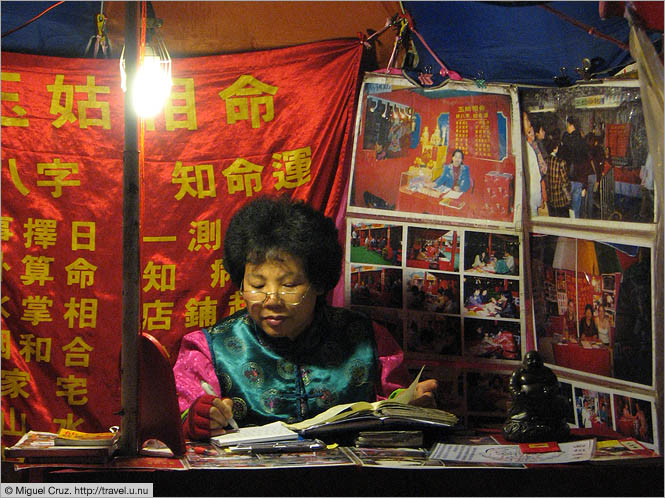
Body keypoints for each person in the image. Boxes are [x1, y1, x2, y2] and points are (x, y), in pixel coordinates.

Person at [173, 196, 437, 440]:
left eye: (289, 285)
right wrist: (198, 418)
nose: (272, 300)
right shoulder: (209, 349)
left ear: (319, 282)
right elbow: (178, 417)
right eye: (257, 285)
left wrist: (413, 403)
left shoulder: (367, 340)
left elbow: (396, 402)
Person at [558, 116, 591, 218]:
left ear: (570, 124)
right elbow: (586, 163)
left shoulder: (565, 139)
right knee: (575, 211)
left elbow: (560, 159)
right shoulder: (582, 142)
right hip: (579, 180)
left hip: (566, 180)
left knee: (565, 210)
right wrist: (584, 185)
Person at [545, 141, 571, 218]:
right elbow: (565, 181)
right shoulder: (561, 162)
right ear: (555, 149)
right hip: (560, 198)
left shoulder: (546, 160)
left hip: (550, 197)